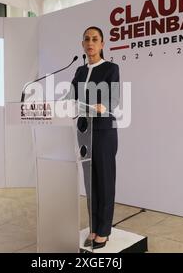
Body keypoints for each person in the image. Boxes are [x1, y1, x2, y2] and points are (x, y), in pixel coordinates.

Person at [70, 26, 120, 249]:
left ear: (102, 44)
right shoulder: (80, 72)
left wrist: (103, 105)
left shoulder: (111, 68)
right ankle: (93, 227)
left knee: (105, 181)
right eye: (87, 39)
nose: (90, 43)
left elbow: (114, 98)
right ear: (82, 44)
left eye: (95, 39)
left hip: (103, 131)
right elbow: (70, 98)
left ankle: (105, 230)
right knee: (90, 184)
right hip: (84, 133)